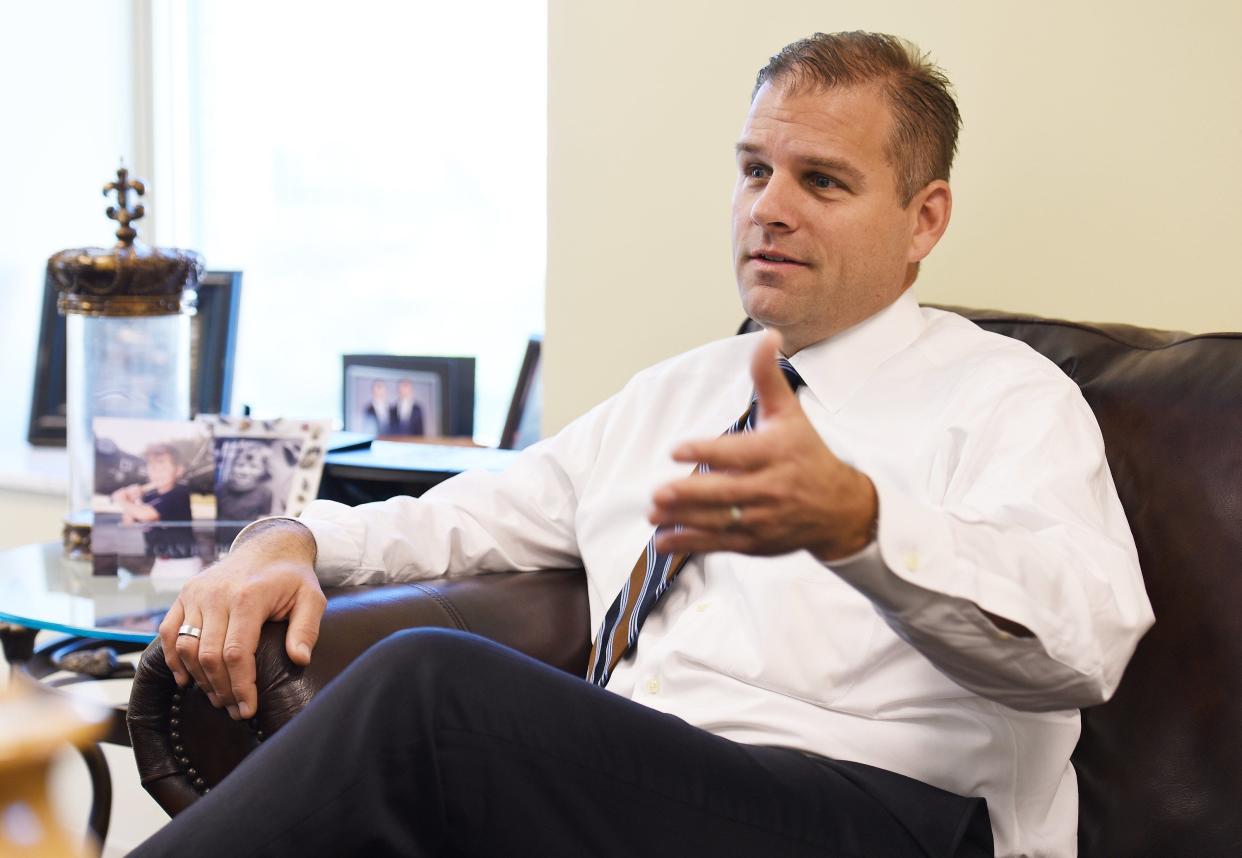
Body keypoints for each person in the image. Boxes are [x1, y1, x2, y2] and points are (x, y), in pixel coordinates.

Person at [138, 32, 1153, 857]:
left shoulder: (1009, 398)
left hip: (894, 817)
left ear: (924, 218)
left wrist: (863, 526)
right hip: (647, 791)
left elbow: (1082, 647)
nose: (770, 207)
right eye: (755, 170)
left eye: (823, 182)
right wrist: (286, 541)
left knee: (429, 690)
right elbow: (463, 520)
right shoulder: (680, 393)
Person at [216, 440, 276, 521]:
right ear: (232, 466)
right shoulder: (221, 490)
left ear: (264, 470)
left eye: (253, 467)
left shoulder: (265, 493)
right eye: (240, 465)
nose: (245, 472)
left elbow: (263, 522)